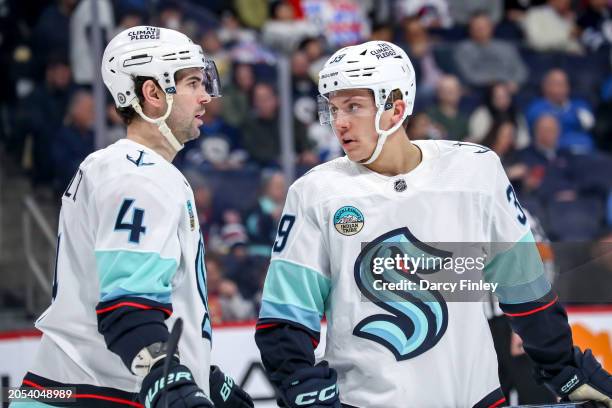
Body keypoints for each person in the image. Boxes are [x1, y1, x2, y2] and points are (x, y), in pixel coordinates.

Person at [254, 40, 612, 407]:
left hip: (476, 398)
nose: (339, 122)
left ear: (395, 108)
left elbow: (525, 290)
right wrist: (305, 390)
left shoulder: (475, 171)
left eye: (353, 106)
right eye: (333, 109)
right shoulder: (315, 193)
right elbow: (285, 322)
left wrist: (565, 368)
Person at [11, 26, 253, 408]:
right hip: (96, 394)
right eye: (192, 83)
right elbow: (128, 307)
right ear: (153, 94)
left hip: (78, 389)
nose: (205, 96)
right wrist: (168, 377)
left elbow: (149, 297)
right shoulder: (137, 174)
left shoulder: (131, 168)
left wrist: (203, 373)